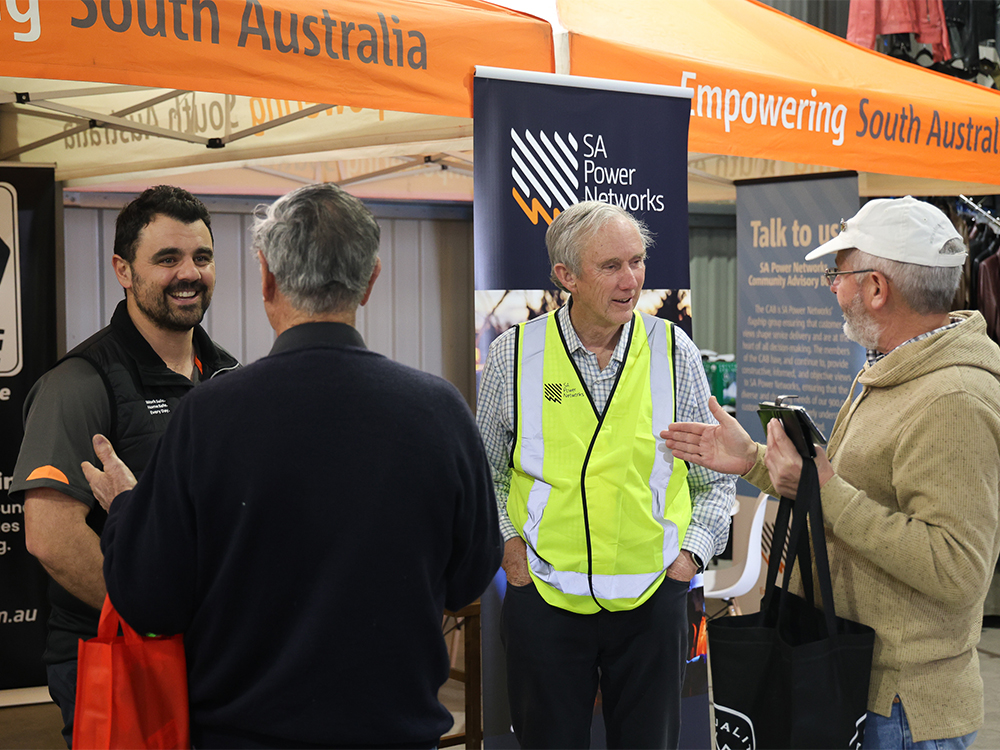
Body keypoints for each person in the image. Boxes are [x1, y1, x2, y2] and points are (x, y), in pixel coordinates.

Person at [82, 182, 502, 749]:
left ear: (267, 278)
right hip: (396, 735)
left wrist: (128, 508)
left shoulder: (209, 417)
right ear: (371, 278)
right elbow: (469, 578)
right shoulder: (440, 411)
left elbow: (149, 599)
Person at [663, 196, 1000, 749]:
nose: (832, 288)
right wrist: (750, 459)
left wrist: (827, 490)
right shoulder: (895, 373)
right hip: (855, 685)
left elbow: (957, 570)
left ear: (876, 288)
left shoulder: (954, 398)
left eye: (836, 274)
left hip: (904, 710)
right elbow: (838, 492)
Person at [476, 200, 736, 749]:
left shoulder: (674, 351)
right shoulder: (514, 357)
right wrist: (510, 552)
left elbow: (714, 477)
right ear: (565, 276)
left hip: (652, 602)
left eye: (637, 262)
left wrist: (690, 556)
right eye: (611, 266)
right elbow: (485, 476)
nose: (631, 281)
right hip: (545, 599)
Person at [10, 185, 239, 746]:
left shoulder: (228, 377)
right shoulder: (79, 384)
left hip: (211, 654)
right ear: (123, 269)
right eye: (167, 259)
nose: (189, 273)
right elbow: (51, 536)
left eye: (201, 257)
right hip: (118, 657)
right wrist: (152, 612)